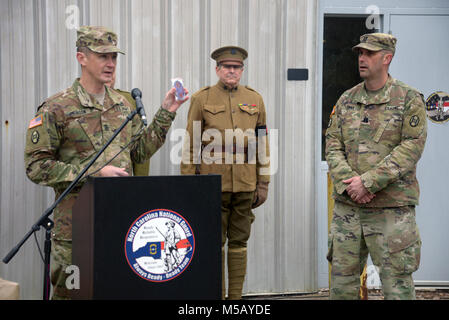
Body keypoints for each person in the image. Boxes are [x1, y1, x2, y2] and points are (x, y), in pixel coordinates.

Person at [24, 26, 188, 299]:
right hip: (75, 229)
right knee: (72, 295)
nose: (110, 63)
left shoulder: (123, 106)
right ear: (81, 58)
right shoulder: (56, 108)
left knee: (117, 291)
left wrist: (166, 113)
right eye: (102, 56)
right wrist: (93, 173)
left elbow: (138, 152)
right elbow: (36, 167)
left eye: (114, 56)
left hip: (120, 223)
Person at [325, 33, 427, 300]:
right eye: (360, 53)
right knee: (342, 287)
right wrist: (351, 184)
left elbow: (411, 147)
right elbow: (332, 145)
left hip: (391, 211)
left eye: (369, 54)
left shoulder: (408, 99)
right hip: (349, 210)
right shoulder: (346, 100)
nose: (362, 58)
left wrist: (368, 182)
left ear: (387, 58)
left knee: (397, 287)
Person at [181, 46, 270, 299]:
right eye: (226, 67)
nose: (232, 71)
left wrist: (263, 183)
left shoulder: (255, 99)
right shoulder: (202, 99)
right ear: (217, 69)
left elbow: (261, 142)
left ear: (242, 70)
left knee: (240, 242)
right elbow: (190, 143)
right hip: (212, 185)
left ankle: (235, 300)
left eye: (236, 67)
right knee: (213, 243)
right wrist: (190, 186)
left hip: (245, 183)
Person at [105, 70, 150, 176]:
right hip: (85, 186)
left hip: (123, 183)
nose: (109, 74)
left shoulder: (128, 100)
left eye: (112, 71)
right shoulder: (71, 102)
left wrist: (140, 184)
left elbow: (140, 146)